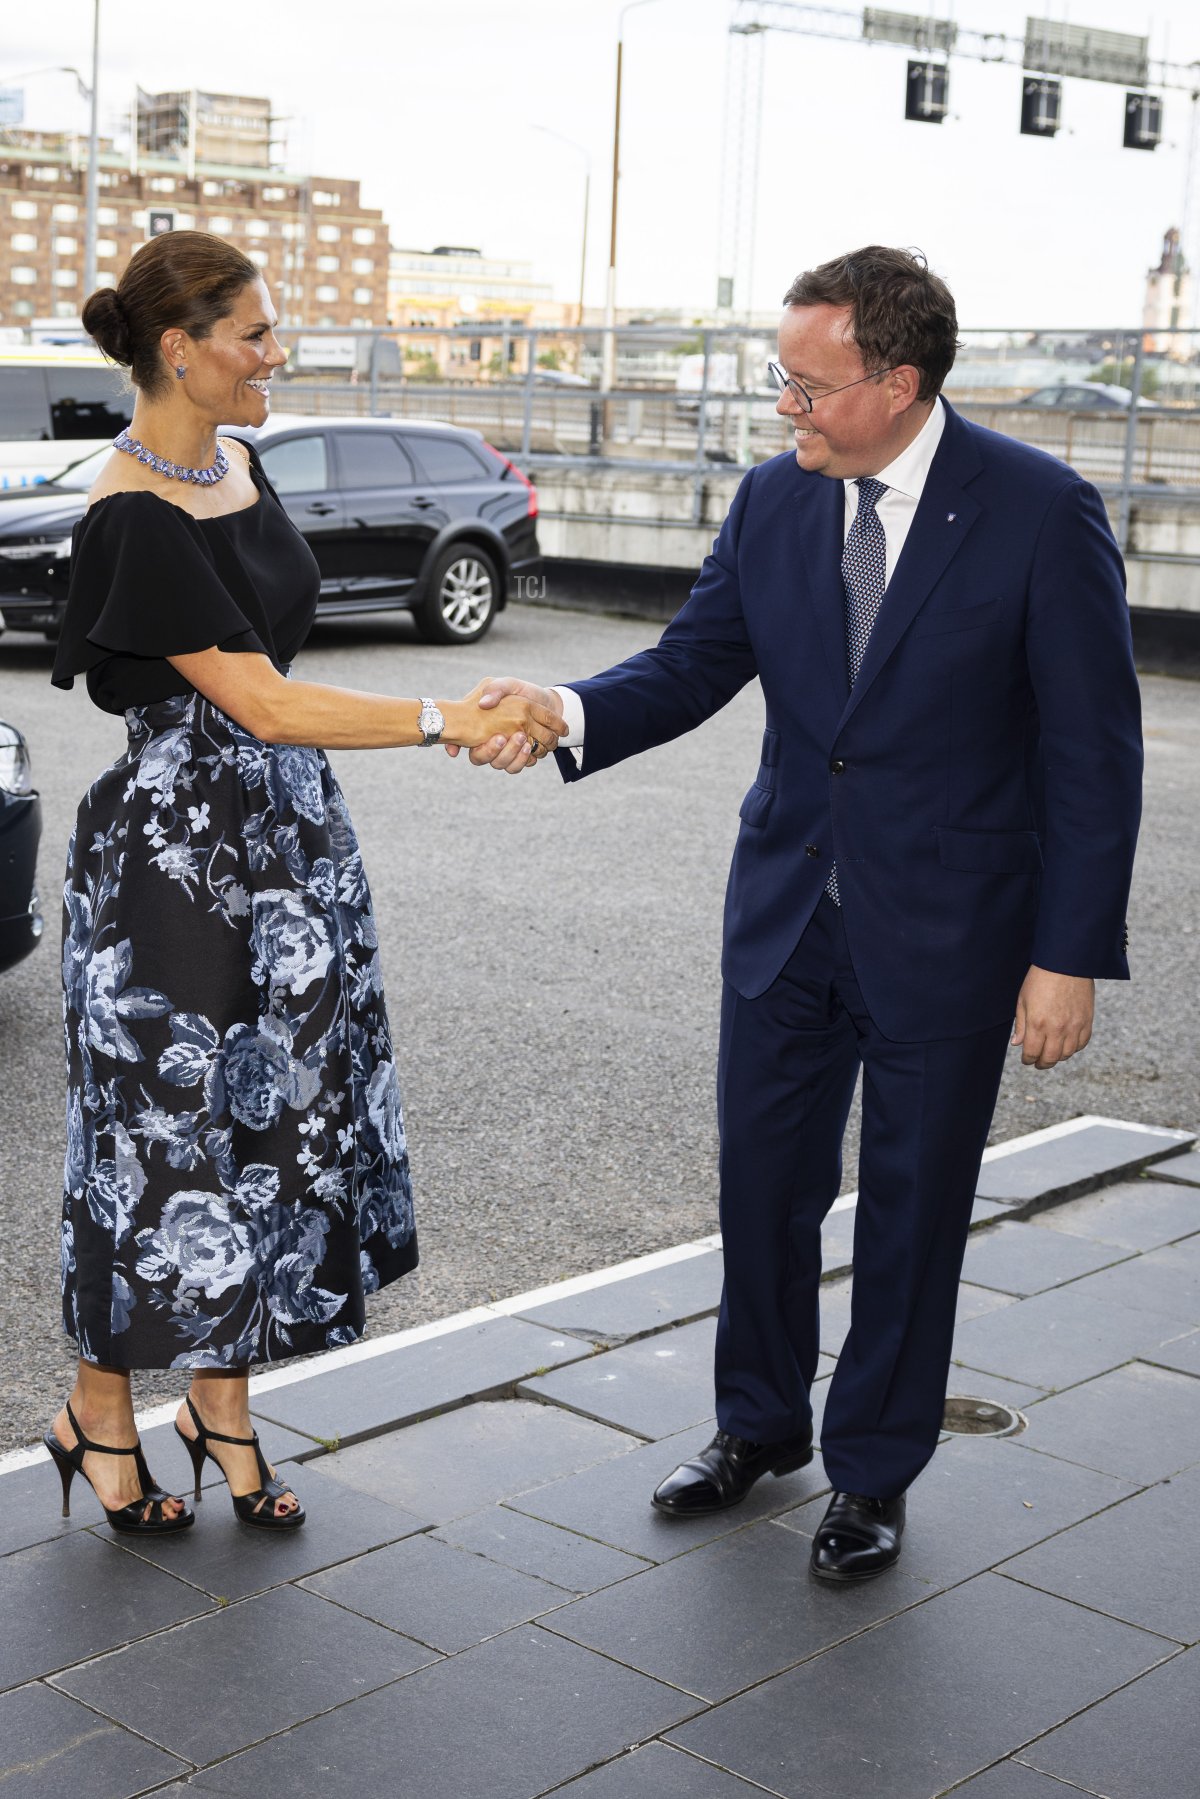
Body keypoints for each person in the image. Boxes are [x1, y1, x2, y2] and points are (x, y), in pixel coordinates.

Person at [464, 247, 1142, 1580]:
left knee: (912, 1204)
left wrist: (1070, 953)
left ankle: (874, 1470)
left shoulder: (1039, 509)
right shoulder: (776, 500)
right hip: (787, 912)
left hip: (954, 929)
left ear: (896, 383)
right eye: (783, 381)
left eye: (807, 385)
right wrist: (567, 711)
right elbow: (697, 661)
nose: (787, 408)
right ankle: (757, 1427)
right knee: (763, 1188)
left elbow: (1093, 750)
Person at [44, 232, 564, 1537]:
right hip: (176, 867)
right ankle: (99, 1413)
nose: (281, 353)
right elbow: (265, 706)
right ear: (183, 350)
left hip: (291, 847)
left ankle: (220, 1403)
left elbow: (284, 687)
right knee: (161, 1151)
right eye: (259, 335)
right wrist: (459, 717)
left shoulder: (240, 460)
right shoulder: (130, 515)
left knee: (266, 1142)